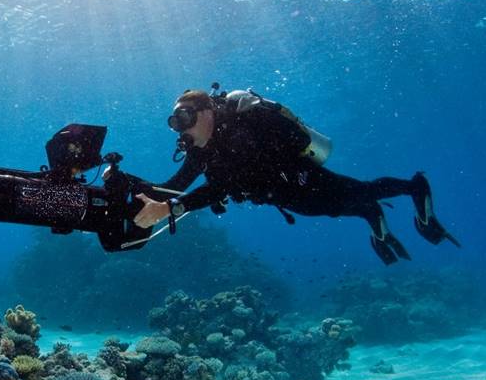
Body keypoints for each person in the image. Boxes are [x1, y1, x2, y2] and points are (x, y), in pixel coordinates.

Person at [131, 85, 460, 264]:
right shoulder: (203, 149)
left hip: (303, 180)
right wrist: (129, 185)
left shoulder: (237, 133)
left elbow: (219, 189)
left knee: (360, 194)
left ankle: (416, 187)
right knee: (340, 208)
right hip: (287, 197)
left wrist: (171, 209)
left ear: (207, 112)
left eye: (185, 117)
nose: (180, 128)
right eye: (174, 122)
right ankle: (370, 214)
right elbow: (175, 186)